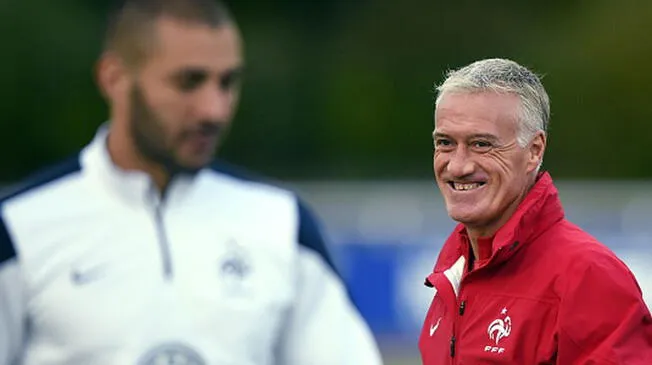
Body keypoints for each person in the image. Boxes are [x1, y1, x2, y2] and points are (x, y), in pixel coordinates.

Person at [0, 1, 383, 364]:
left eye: (227, 82)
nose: (213, 109)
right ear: (114, 77)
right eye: (188, 82)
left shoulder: (283, 224)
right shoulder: (20, 229)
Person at [419, 58, 652, 364]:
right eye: (446, 143)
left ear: (534, 151)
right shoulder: (454, 273)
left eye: (481, 144)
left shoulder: (588, 276)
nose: (459, 165)